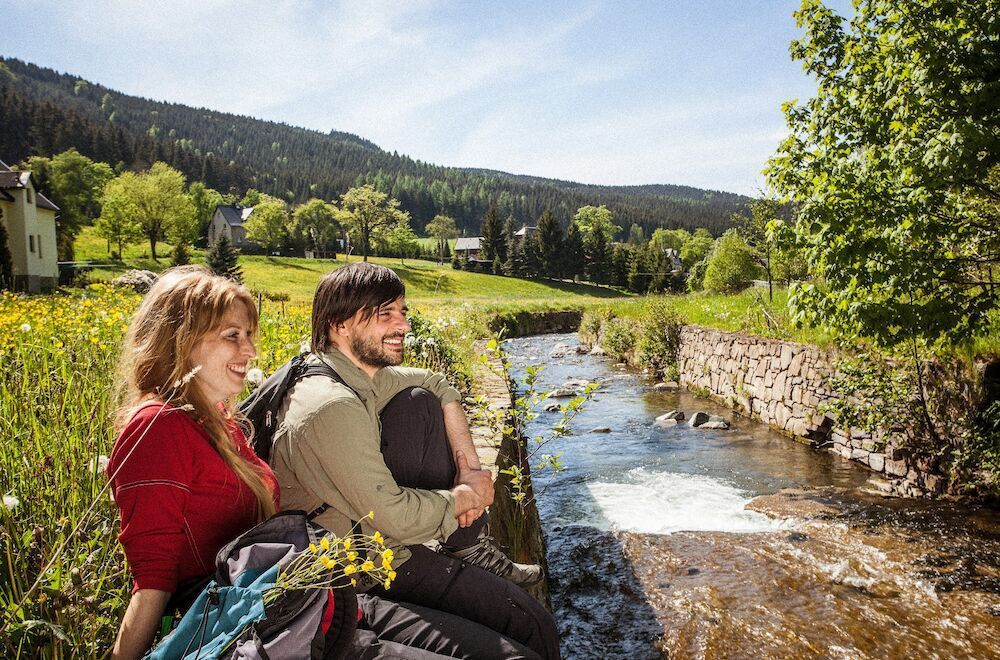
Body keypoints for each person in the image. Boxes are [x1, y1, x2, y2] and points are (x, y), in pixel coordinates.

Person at [107, 265, 537, 660]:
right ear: (180, 339)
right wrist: (463, 496)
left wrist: (466, 466)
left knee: (520, 637)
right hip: (255, 618)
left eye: (250, 335)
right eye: (232, 336)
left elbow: (428, 383)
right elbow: (153, 580)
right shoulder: (157, 428)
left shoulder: (218, 420)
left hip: (303, 589)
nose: (251, 350)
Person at [271, 262, 561, 660]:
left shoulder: (354, 374)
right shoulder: (331, 404)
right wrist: (464, 498)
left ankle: (468, 546)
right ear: (340, 326)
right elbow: (396, 516)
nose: (404, 325)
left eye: (403, 313)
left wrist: (469, 468)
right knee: (528, 629)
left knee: (419, 401)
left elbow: (437, 384)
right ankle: (462, 545)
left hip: (381, 541)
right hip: (361, 569)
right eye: (385, 315)